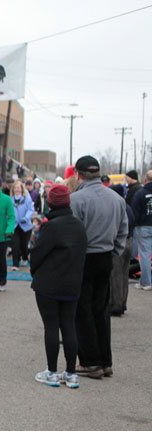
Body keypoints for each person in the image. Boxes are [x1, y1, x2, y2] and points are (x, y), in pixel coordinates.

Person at [69, 156, 128, 379]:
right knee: (101, 309)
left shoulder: (76, 199)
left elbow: (73, 235)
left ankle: (91, 362)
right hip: (105, 256)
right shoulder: (116, 199)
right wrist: (115, 251)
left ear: (78, 174)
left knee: (82, 310)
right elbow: (123, 230)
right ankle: (106, 360)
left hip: (85, 257)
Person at [30, 185, 87, 388]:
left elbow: (37, 254)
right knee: (69, 326)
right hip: (72, 284)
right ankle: (71, 373)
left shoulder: (51, 227)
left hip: (49, 285)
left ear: (51, 202)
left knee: (52, 327)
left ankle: (52, 372)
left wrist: (34, 271)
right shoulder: (79, 226)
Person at [108, 184, 135, 316]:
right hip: (129, 241)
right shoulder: (127, 206)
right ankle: (122, 302)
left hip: (120, 242)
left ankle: (116, 305)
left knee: (116, 274)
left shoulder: (117, 206)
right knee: (124, 274)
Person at [130, 170, 152, 290]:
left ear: (145, 180)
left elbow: (135, 212)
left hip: (143, 226)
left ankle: (146, 282)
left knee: (144, 255)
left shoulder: (140, 194)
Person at [10, 180, 34, 271]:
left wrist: (26, 218)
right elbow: (8, 212)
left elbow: (31, 210)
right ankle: (15, 264)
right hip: (15, 226)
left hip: (25, 226)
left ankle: (24, 257)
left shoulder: (26, 198)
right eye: (15, 188)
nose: (17, 190)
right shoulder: (10, 200)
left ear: (21, 189)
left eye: (18, 188)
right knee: (15, 245)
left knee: (24, 245)